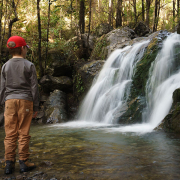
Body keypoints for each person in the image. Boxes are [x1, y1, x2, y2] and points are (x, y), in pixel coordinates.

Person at [0, 36, 39, 174]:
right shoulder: (29, 65)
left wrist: (2, 104)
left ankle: (9, 164)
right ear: (22, 48)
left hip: (9, 101)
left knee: (9, 134)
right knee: (23, 132)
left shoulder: (5, 66)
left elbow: (2, 88)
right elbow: (34, 87)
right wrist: (36, 107)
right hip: (25, 101)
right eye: (25, 48)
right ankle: (23, 162)